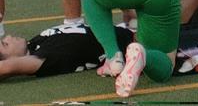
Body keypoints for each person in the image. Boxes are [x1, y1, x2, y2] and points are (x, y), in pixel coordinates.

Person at [0, 23, 134, 81]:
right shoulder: (42, 58)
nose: (9, 37)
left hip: (123, 30)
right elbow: (5, 68)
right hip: (131, 44)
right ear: (11, 60)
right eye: (5, 44)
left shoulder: (33, 44)